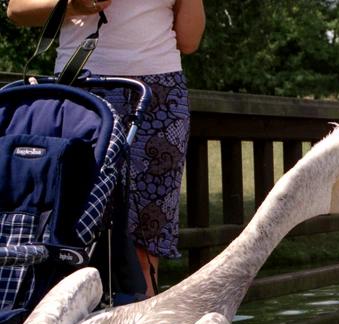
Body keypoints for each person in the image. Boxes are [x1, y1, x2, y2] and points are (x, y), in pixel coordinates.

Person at [7, 0, 206, 298]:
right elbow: (17, 10)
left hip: (159, 97)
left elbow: (189, 40)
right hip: (83, 90)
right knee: (70, 235)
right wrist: (74, 5)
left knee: (143, 247)